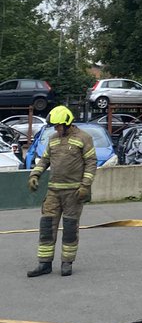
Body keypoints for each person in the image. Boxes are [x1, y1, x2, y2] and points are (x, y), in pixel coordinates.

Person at [26, 105, 96, 278]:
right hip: (53, 192)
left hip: (74, 192)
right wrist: (35, 174)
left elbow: (91, 163)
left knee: (70, 228)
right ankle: (44, 264)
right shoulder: (53, 139)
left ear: (67, 123)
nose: (56, 129)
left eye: (58, 126)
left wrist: (85, 186)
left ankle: (67, 262)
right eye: (55, 126)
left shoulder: (84, 138)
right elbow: (45, 160)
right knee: (47, 227)